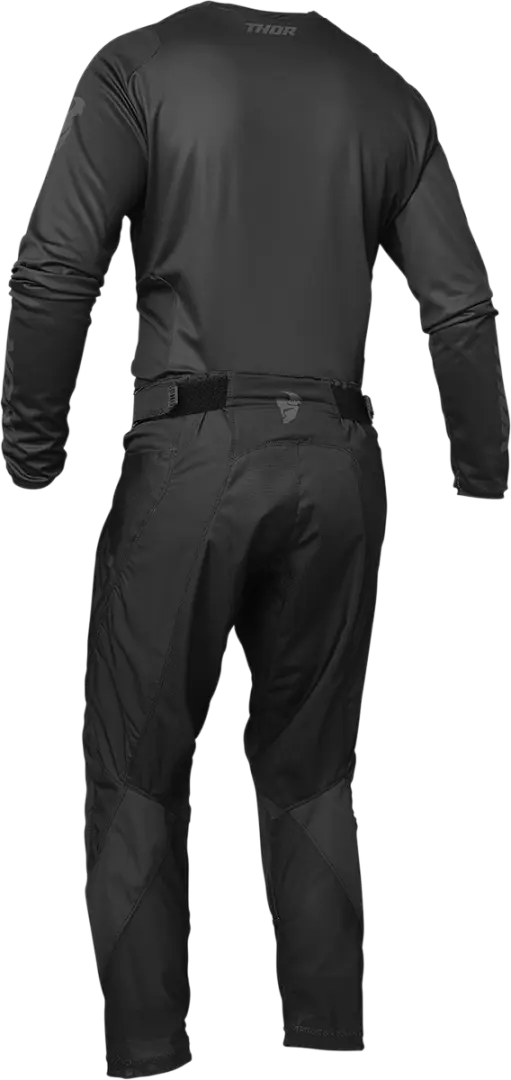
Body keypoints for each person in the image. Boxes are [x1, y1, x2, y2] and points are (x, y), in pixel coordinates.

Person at [2, 4, 508, 1077]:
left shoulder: (138, 70)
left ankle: (147, 1056)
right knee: (313, 776)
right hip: (338, 460)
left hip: (192, 459)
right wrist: (480, 473)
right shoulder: (379, 88)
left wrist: (32, 450)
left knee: (136, 772)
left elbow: (56, 266)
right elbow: (458, 305)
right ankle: (327, 1042)